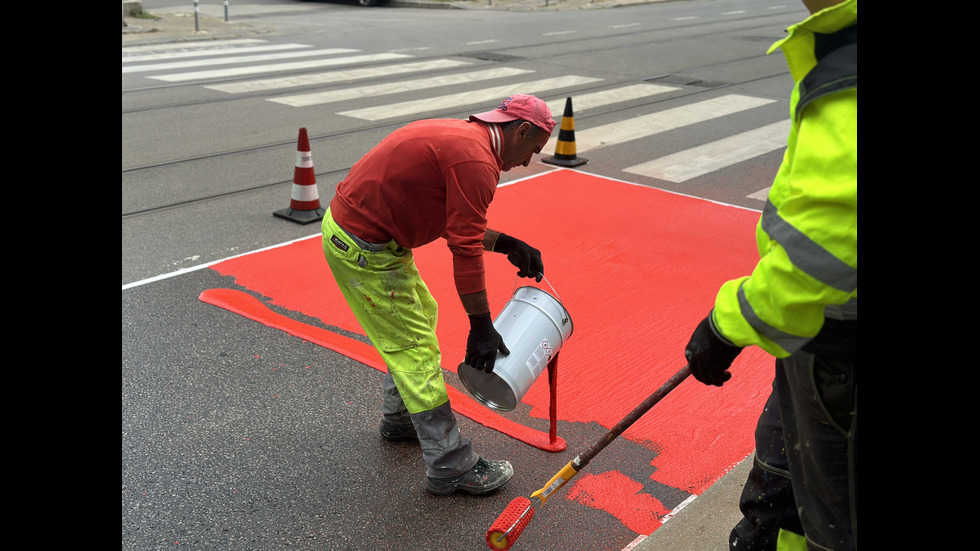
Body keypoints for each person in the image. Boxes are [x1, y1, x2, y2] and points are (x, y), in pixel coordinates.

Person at [681, 1, 856, 550]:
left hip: (836, 350)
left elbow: (824, 248)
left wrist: (725, 325)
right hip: (817, 338)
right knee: (784, 478)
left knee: (833, 521)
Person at [321, 94, 556, 496]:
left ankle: (399, 419)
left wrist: (508, 244)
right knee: (415, 350)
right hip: (365, 247)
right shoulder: (477, 162)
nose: (526, 162)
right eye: (532, 150)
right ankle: (451, 465)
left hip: (362, 234)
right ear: (519, 131)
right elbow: (463, 249)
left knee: (420, 317)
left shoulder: (464, 139)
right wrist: (481, 327)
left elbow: (454, 221)